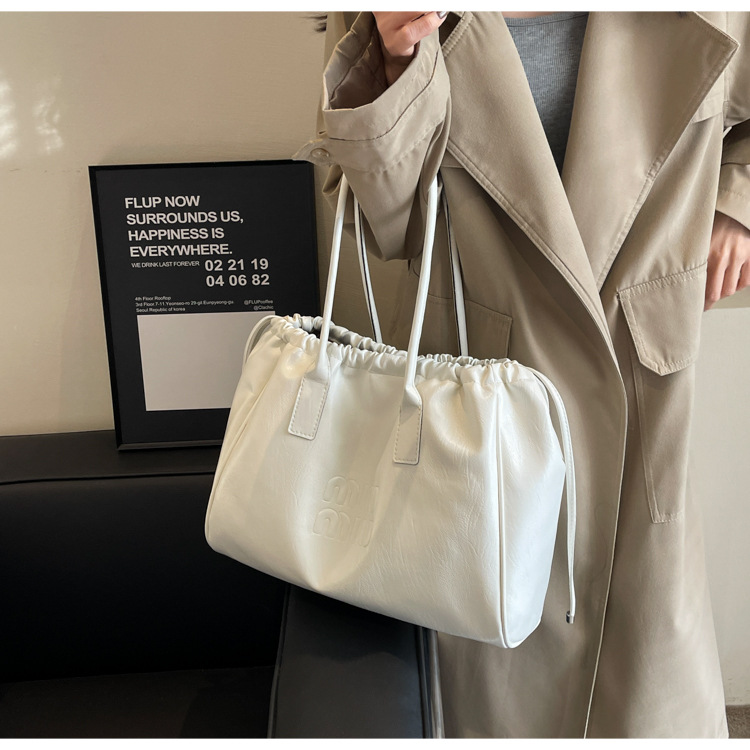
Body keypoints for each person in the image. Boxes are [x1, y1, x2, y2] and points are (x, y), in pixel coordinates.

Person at [294, 11, 750, 738]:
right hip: (478, 419)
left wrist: (736, 202)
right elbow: (381, 228)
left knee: (644, 684)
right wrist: (395, 65)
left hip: (641, 395)